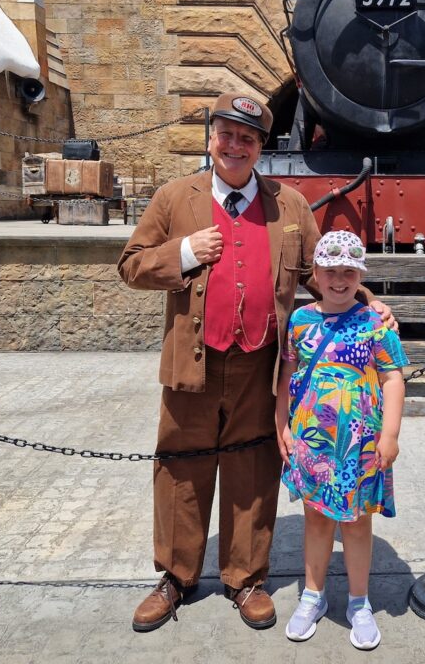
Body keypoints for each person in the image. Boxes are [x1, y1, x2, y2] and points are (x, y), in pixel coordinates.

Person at [118, 93, 392, 633]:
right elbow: (129, 266)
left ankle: (245, 577)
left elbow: (322, 274)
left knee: (251, 468)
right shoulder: (176, 198)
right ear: (211, 137)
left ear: (261, 147)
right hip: (193, 363)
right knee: (181, 468)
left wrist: (366, 302)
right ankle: (176, 576)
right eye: (227, 134)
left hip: (260, 365)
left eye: (248, 138)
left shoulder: (288, 205)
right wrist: (186, 252)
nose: (235, 146)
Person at [275, 231, 407, 651]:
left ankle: (359, 601)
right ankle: (313, 595)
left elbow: (392, 378)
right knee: (317, 519)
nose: (339, 280)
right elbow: (287, 377)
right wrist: (282, 424)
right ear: (315, 273)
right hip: (312, 442)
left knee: (356, 522)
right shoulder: (300, 321)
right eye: (330, 271)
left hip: (361, 444)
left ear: (361, 275)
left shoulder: (374, 321)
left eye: (349, 272)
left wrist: (390, 434)